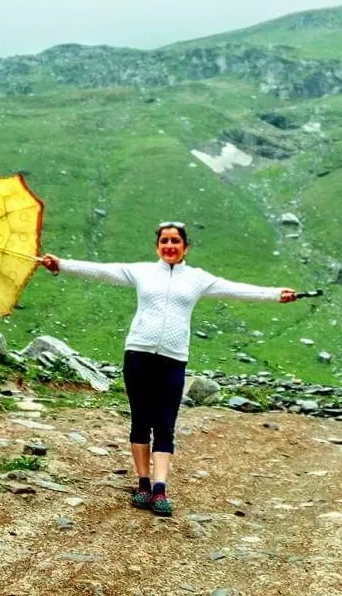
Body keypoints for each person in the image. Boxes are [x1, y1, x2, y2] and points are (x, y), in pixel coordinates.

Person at [39, 221, 298, 518]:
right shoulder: (142, 272)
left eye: (175, 241)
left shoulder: (198, 279)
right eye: (164, 241)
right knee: (140, 420)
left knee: (165, 424)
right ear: (157, 246)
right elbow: (101, 270)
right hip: (138, 353)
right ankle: (143, 483)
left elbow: (236, 289)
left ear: (185, 247)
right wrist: (60, 264)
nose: (170, 246)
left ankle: (160, 488)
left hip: (173, 358)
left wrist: (276, 294)